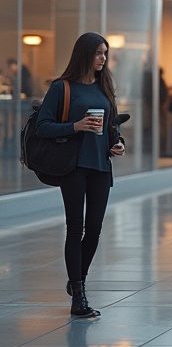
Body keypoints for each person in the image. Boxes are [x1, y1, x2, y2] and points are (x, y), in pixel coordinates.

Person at [34, 32, 125, 319]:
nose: (103, 59)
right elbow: (42, 126)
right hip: (72, 166)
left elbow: (112, 125)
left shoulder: (104, 86)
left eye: (105, 53)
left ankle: (77, 281)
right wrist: (76, 126)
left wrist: (118, 142)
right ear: (84, 54)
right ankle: (79, 294)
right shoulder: (62, 88)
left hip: (100, 166)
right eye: (99, 53)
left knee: (94, 230)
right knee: (75, 230)